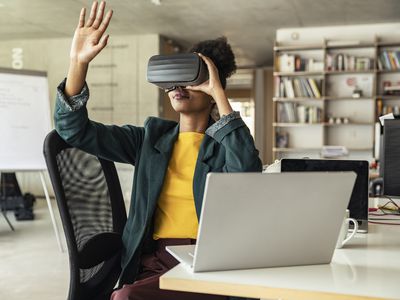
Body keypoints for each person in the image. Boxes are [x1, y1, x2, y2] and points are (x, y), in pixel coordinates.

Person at [54, 1, 262, 299]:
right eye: (175, 78)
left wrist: (218, 91)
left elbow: (247, 173)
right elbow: (73, 130)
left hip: (209, 263)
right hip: (155, 261)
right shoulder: (150, 139)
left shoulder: (224, 147)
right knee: (125, 296)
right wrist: (78, 62)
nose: (180, 84)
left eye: (193, 77)